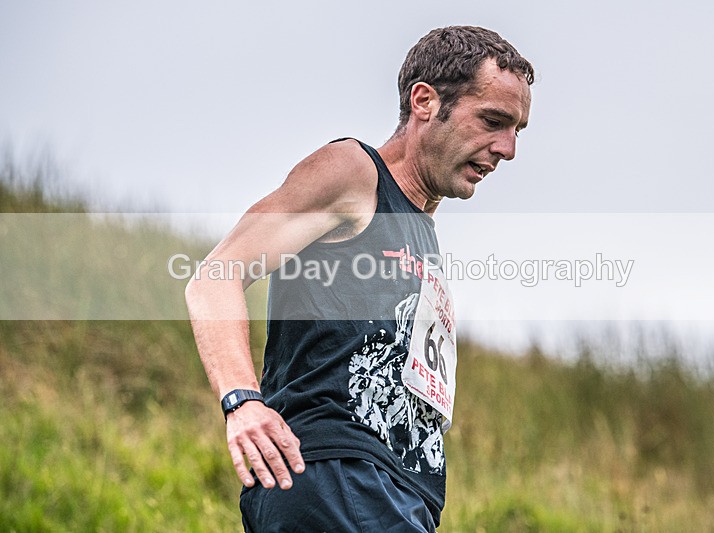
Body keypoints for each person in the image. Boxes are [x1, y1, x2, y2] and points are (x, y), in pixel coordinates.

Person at [185, 25, 533, 532]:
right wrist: (242, 401)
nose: (507, 148)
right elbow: (215, 276)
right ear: (425, 102)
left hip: (397, 496)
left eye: (517, 129)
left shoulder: (421, 230)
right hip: (336, 476)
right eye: (493, 120)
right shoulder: (354, 172)